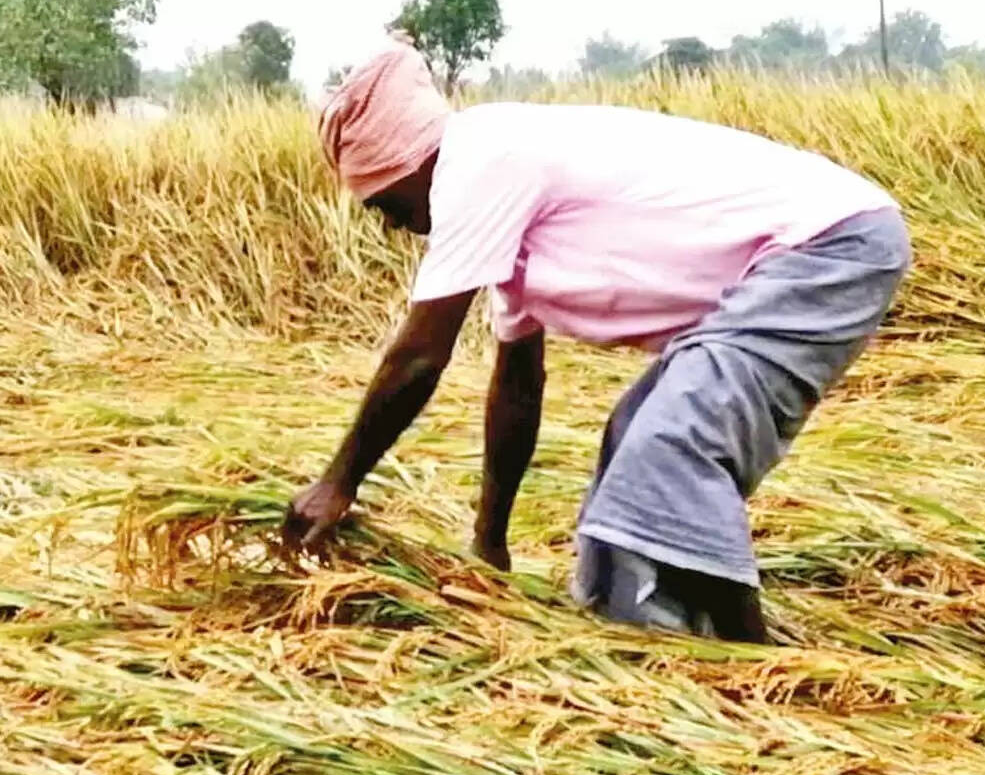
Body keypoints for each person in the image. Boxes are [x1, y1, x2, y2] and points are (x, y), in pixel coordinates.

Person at [282, 39, 912, 643]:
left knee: (670, 445)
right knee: (632, 436)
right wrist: (490, 545)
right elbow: (517, 387)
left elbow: (419, 354)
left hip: (827, 245)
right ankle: (661, 637)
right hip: (786, 265)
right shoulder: (499, 204)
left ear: (406, 164)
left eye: (381, 202)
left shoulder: (482, 162)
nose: (390, 223)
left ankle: (754, 662)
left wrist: (339, 481)